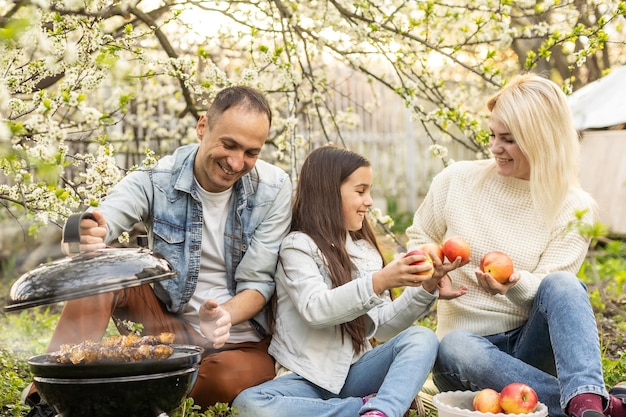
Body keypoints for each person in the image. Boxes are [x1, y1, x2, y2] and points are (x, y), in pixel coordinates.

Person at [24, 86, 293, 414]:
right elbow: (104, 218)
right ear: (203, 126)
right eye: (229, 144)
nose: (236, 162)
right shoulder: (157, 180)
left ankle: (132, 393)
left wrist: (224, 315)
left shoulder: (274, 189)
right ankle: (54, 393)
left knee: (220, 381)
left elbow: (259, 283)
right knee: (99, 266)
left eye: (251, 152)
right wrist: (89, 231)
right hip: (171, 330)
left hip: (242, 342)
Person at [405, 73, 626, 417]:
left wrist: (512, 283)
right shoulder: (456, 181)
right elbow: (419, 239)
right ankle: (596, 406)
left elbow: (554, 290)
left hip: (531, 349)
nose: (494, 147)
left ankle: (584, 400)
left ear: (540, 140)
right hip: (466, 356)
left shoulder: (572, 206)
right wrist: (433, 271)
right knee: (454, 345)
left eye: (508, 139)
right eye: (493, 135)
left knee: (564, 284)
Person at [232, 146, 462, 417]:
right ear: (328, 192)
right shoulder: (297, 247)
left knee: (421, 338)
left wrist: (426, 287)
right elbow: (315, 310)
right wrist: (378, 282)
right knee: (248, 404)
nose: (370, 201)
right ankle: (369, 408)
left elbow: (383, 328)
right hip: (306, 378)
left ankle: (377, 410)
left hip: (357, 372)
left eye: (369, 191)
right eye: (361, 191)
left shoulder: (365, 252)